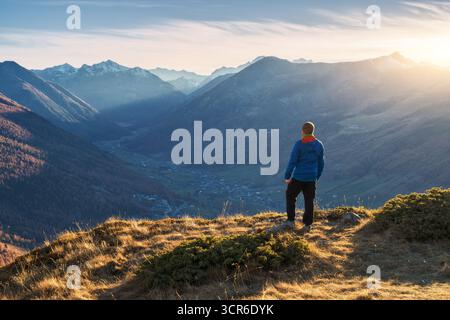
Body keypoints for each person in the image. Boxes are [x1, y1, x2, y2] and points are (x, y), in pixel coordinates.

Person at [272, 121, 324, 233]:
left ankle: (291, 221)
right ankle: (308, 224)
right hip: (311, 178)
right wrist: (317, 176)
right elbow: (321, 163)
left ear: (302, 131)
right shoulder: (319, 145)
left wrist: (287, 176)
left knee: (290, 195)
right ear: (312, 131)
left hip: (299, 177)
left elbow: (292, 162)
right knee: (309, 200)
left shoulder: (299, 144)